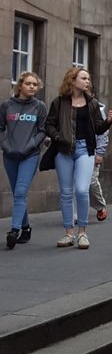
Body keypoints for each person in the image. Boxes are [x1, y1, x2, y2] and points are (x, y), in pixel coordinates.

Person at [45, 67, 112, 250]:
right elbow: (49, 124)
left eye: (88, 79)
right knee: (66, 193)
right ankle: (68, 233)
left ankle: (82, 232)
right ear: (72, 80)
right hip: (64, 151)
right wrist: (58, 137)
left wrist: (108, 121)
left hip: (85, 149)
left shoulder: (92, 103)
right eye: (84, 78)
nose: (87, 82)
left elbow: (98, 129)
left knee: (82, 190)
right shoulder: (59, 103)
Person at [1, 72, 48, 250]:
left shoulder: (39, 107)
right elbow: (0, 128)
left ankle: (14, 231)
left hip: (30, 155)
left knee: (21, 191)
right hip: (10, 155)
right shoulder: (7, 106)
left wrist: (31, 145)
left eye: (35, 85)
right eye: (28, 84)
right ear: (20, 85)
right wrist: (5, 145)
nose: (32, 87)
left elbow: (42, 131)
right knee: (17, 193)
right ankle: (26, 227)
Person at [89, 102, 109, 221]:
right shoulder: (66, 104)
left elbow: (103, 132)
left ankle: (100, 206)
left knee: (91, 181)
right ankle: (73, 214)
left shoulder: (97, 109)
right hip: (72, 150)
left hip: (92, 150)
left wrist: (100, 152)